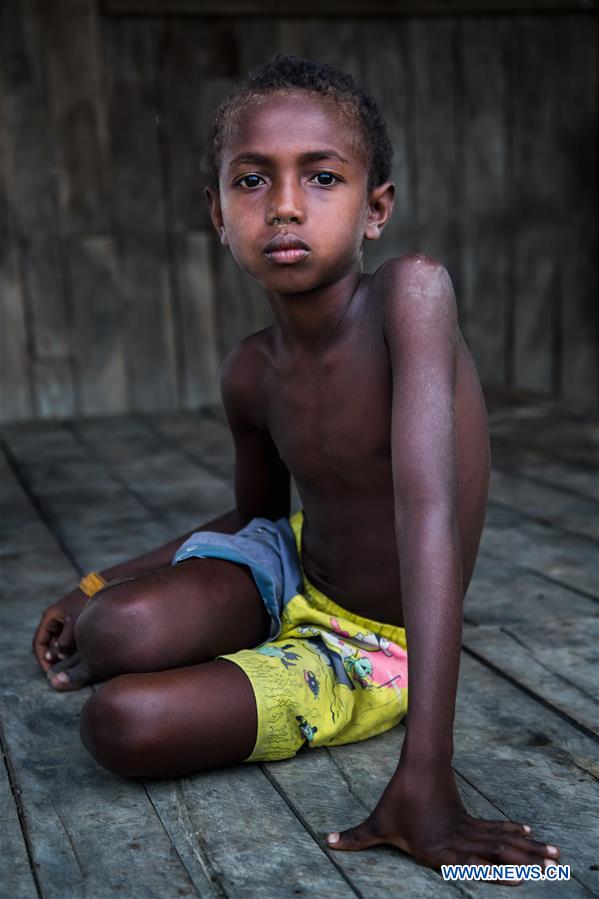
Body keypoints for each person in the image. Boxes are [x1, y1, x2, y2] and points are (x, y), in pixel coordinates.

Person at [32, 55, 560, 875]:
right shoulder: (249, 369)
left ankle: (266, 673)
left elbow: (428, 510)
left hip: (373, 641)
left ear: (374, 207)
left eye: (320, 177)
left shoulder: (409, 297)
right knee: (111, 630)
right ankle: (220, 645)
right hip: (293, 570)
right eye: (251, 181)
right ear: (215, 212)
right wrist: (94, 584)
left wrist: (427, 775)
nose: (283, 205)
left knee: (121, 724)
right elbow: (254, 522)